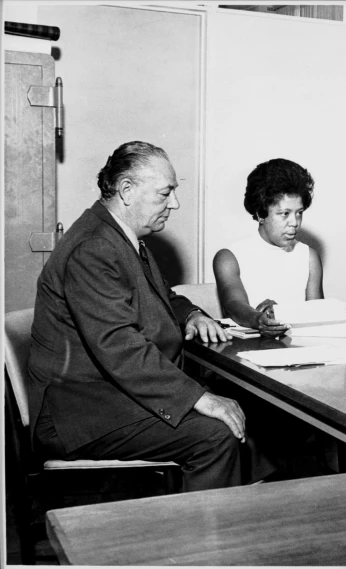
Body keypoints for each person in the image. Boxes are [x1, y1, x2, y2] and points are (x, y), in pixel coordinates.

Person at [28, 141, 275, 492]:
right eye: (165, 193)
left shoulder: (119, 235)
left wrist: (189, 314)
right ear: (127, 190)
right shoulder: (94, 248)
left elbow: (161, 295)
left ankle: (240, 524)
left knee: (248, 414)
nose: (173, 203)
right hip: (79, 414)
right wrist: (198, 398)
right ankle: (201, 544)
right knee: (217, 435)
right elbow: (120, 347)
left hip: (101, 396)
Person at [214, 158, 323, 337]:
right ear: (260, 213)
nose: (294, 223)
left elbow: (318, 316)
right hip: (245, 352)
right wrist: (259, 319)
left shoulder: (309, 257)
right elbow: (234, 304)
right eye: (284, 214)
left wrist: (284, 312)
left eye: (299, 213)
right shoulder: (229, 257)